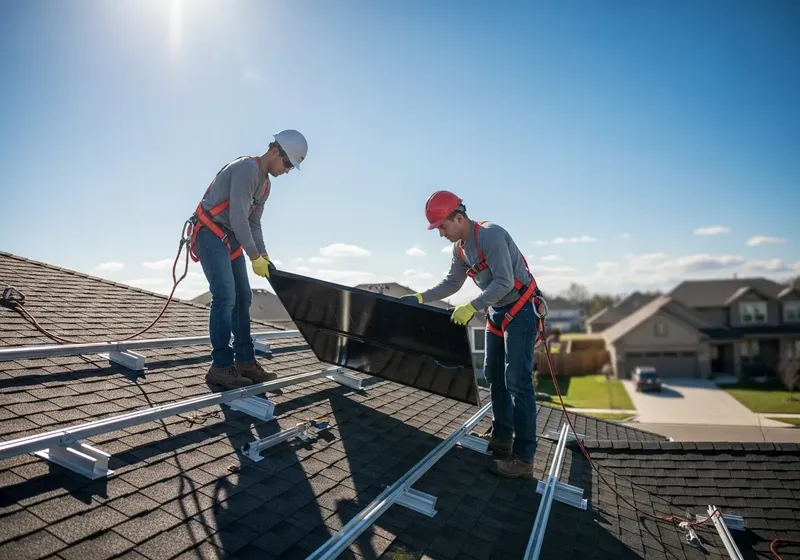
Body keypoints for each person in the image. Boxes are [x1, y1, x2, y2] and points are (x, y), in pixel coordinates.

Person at [401, 190, 544, 479]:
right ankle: (502, 440)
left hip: (522, 310)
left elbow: (504, 281)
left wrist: (473, 306)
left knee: (517, 382)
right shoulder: (460, 249)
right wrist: (418, 298)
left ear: (458, 217)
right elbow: (451, 283)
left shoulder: (490, 235)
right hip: (497, 312)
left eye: (442, 226)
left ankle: (524, 458)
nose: (441, 234)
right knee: (494, 375)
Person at [187, 129, 308, 390]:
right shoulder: (246, 169)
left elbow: (254, 224)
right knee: (225, 296)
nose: (287, 170)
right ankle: (220, 367)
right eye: (287, 163)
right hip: (210, 234)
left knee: (244, 297)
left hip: (229, 239)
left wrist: (263, 255)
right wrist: (253, 255)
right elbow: (238, 217)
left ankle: (244, 362)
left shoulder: (265, 185)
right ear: (275, 151)